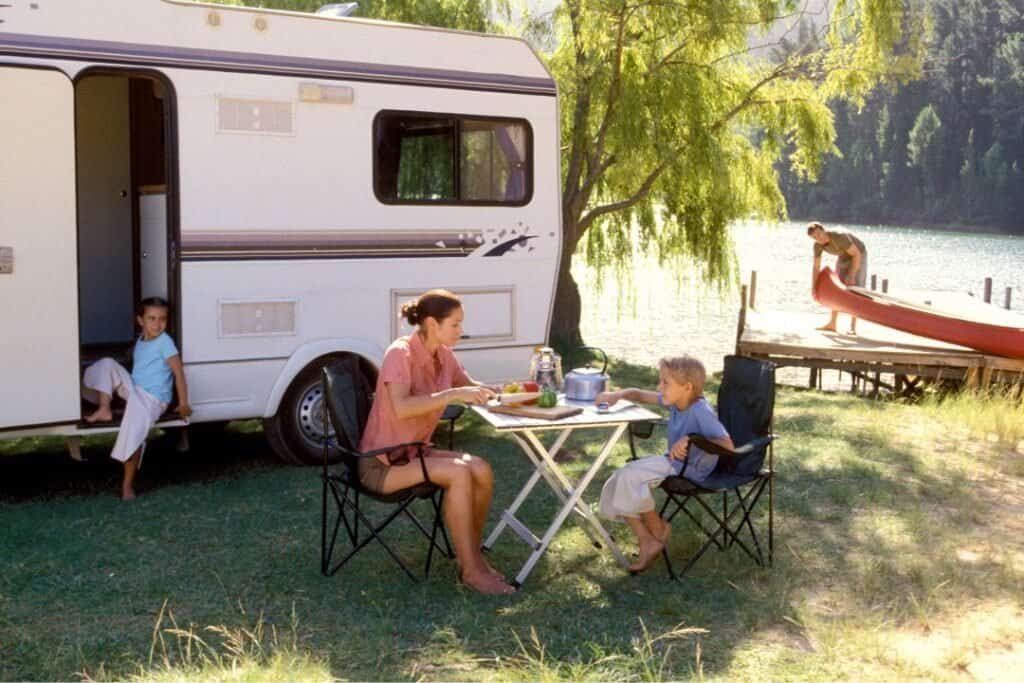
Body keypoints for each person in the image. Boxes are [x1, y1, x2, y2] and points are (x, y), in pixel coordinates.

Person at [359, 289, 515, 595]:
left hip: (412, 454)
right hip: (380, 463)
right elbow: (402, 407)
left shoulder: (443, 355)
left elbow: (470, 387)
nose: (461, 330)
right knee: (458, 472)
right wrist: (453, 395)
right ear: (432, 323)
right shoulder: (399, 354)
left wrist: (504, 392)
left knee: (480, 468)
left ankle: (471, 554)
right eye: (455, 324)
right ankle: (471, 572)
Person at [595, 355, 733, 573]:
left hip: (689, 470)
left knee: (628, 476)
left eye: (665, 382)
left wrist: (691, 438)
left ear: (687, 387)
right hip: (674, 462)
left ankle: (649, 536)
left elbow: (728, 446)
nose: (660, 387)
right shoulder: (678, 401)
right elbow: (639, 394)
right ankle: (656, 530)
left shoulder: (700, 410)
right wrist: (617, 395)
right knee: (620, 477)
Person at [82, 297, 191, 500]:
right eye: (152, 318)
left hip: (152, 398)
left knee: (133, 432)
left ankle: (127, 486)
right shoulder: (141, 340)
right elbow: (137, 358)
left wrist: (183, 403)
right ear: (140, 320)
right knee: (106, 364)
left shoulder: (166, 342)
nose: (157, 324)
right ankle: (104, 408)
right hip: (135, 389)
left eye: (162, 319)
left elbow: (179, 373)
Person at [808, 221, 868, 334]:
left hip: (859, 253)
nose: (819, 238)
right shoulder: (817, 246)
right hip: (843, 256)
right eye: (815, 237)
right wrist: (814, 286)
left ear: (823, 230)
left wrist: (851, 275)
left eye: (819, 234)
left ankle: (852, 327)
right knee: (837, 288)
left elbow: (856, 254)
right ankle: (832, 324)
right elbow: (816, 267)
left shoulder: (839, 237)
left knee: (856, 289)